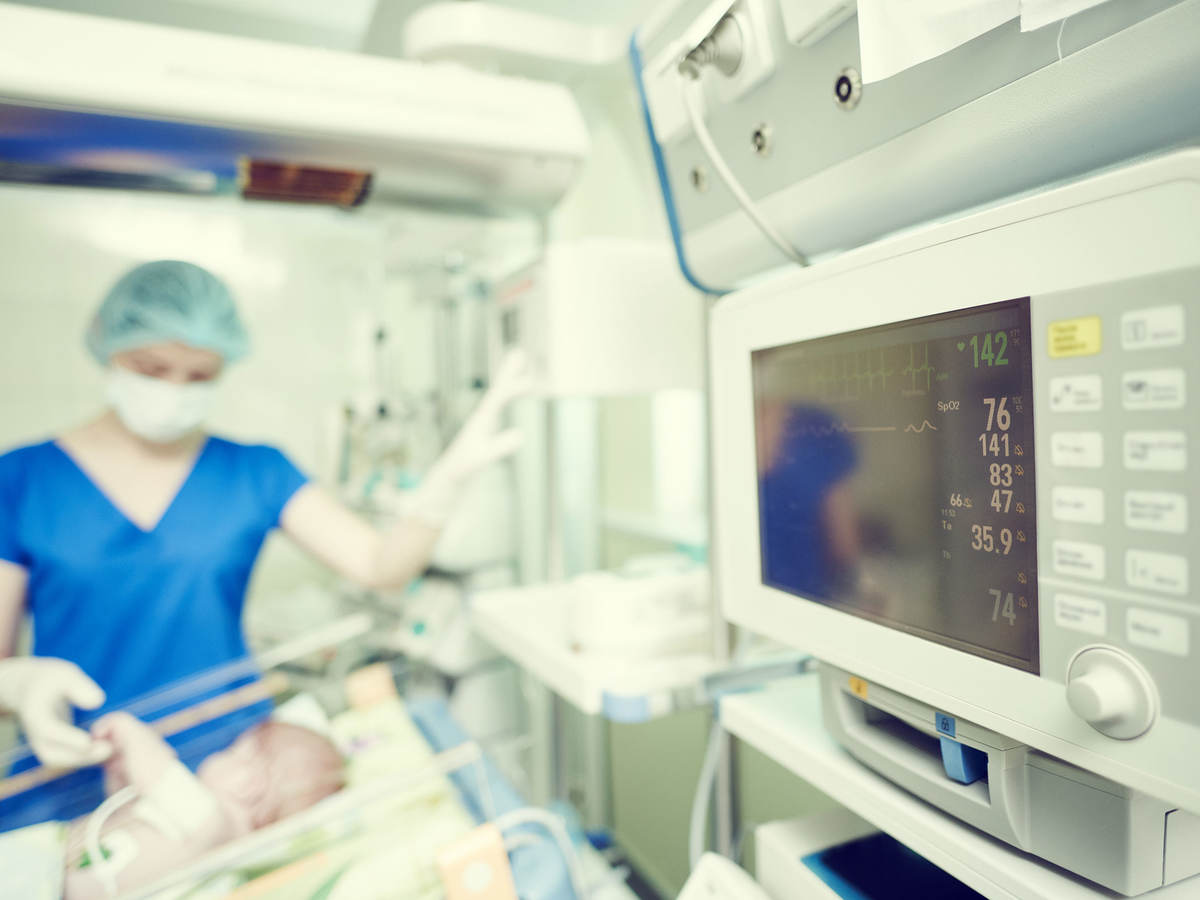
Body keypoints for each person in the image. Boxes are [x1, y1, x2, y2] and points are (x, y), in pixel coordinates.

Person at [0, 260, 531, 825]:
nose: (173, 390)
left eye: (199, 376)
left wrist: (444, 486)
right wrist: (15, 686)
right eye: (152, 368)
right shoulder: (21, 479)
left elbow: (380, 566)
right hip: (75, 773)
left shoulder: (255, 471)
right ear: (108, 345)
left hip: (236, 772)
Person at [64, 711, 344, 899]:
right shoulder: (191, 822)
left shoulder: (215, 826)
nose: (220, 752)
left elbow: (161, 775)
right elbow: (129, 810)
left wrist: (126, 728)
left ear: (248, 783)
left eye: (233, 750)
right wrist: (121, 771)